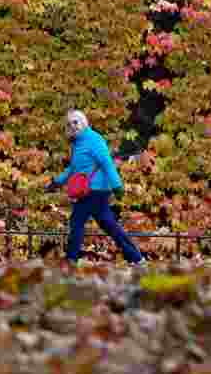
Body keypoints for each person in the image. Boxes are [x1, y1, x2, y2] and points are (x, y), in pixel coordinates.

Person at [45, 110, 147, 265]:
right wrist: (57, 182)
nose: (72, 126)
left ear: (84, 122)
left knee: (76, 222)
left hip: (94, 191)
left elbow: (107, 163)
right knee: (110, 225)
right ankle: (137, 258)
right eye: (69, 124)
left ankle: (71, 260)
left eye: (75, 122)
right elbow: (73, 168)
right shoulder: (77, 143)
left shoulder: (94, 140)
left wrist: (117, 186)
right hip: (88, 191)